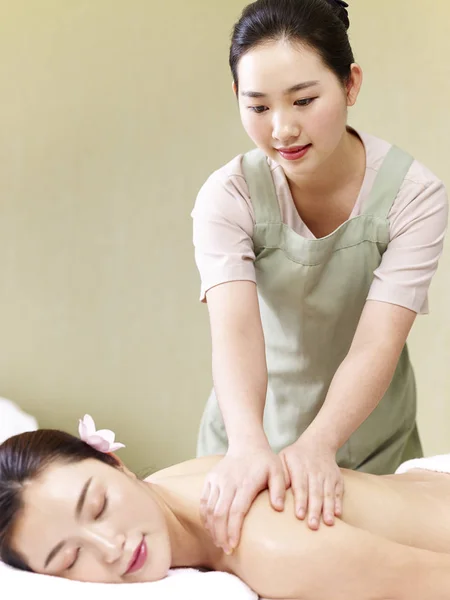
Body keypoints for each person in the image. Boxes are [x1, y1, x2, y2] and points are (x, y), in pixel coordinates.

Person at [191, 0, 448, 554]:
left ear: (351, 84)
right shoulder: (228, 196)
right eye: (257, 105)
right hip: (244, 432)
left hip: (371, 440)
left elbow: (378, 341)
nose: (282, 129)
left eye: (304, 100)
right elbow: (235, 331)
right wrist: (246, 444)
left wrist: (320, 445)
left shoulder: (413, 194)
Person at [2, 423, 450, 599]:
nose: (110, 547)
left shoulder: (276, 548)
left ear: (116, 463)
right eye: (69, 559)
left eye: (98, 506)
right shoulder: (163, 489)